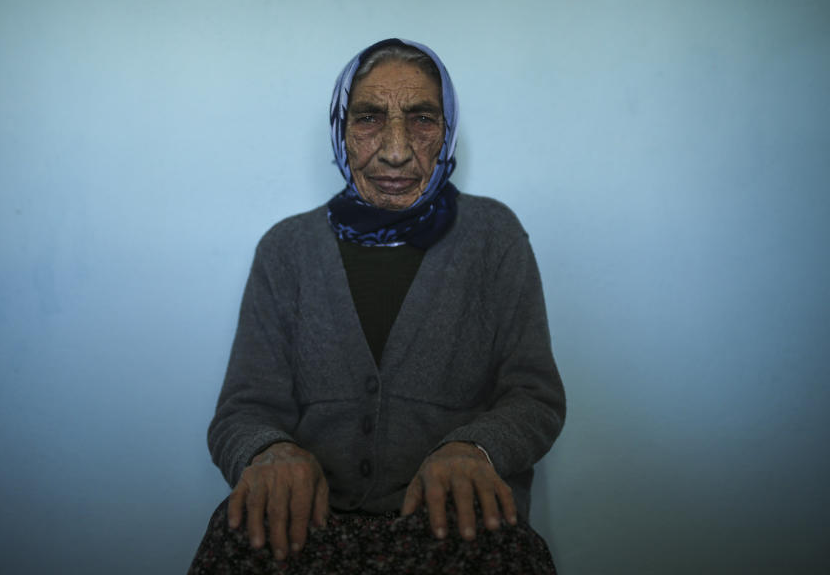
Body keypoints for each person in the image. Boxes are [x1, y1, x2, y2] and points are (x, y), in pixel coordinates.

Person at [189, 39, 566, 574]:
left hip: (453, 526)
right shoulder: (287, 249)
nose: (395, 150)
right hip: (306, 530)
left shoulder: (493, 237)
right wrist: (268, 451)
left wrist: (474, 450)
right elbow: (242, 410)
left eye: (421, 120)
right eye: (368, 118)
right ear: (341, 128)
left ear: (447, 128)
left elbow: (535, 396)